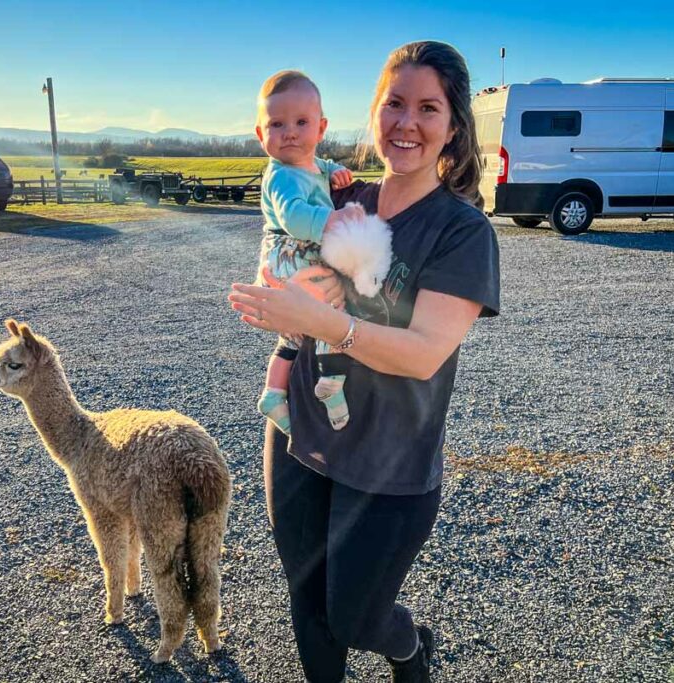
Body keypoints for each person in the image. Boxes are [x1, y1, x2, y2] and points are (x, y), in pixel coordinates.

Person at [229, 41, 501, 683]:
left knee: (354, 616)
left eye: (428, 108)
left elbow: (424, 353)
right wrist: (273, 291)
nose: (408, 123)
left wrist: (320, 320)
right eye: (394, 104)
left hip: (389, 462)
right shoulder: (341, 198)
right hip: (301, 433)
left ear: (453, 127)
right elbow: (283, 246)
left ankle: (410, 648)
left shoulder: (461, 231)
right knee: (308, 604)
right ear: (373, 113)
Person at [252, 69, 363, 435]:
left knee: (293, 335)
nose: (291, 133)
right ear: (260, 135)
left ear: (321, 129)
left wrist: (338, 171)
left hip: (288, 259)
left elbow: (322, 167)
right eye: (277, 124)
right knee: (333, 311)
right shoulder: (283, 175)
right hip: (292, 253)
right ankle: (331, 380)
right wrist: (332, 220)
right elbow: (293, 216)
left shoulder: (310, 163)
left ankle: (273, 392)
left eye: (302, 122)